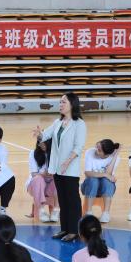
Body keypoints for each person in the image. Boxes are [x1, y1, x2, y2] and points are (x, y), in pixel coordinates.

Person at [33, 92, 87, 242]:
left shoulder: (79, 124)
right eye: (60, 102)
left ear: (72, 104)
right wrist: (39, 134)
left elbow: (78, 147)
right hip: (57, 168)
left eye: (64, 102)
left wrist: (67, 162)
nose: (61, 105)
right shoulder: (58, 122)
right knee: (62, 200)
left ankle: (74, 231)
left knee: (72, 200)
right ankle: (65, 229)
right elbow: (45, 135)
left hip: (70, 169)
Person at [81, 139, 120, 223]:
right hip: (88, 187)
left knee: (108, 182)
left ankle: (106, 213)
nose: (96, 150)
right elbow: (88, 173)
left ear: (106, 154)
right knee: (93, 180)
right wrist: (105, 175)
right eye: (97, 146)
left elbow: (108, 174)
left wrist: (116, 154)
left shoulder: (114, 158)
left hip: (104, 188)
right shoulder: (90, 152)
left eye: (99, 150)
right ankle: (89, 212)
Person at [26, 139, 58, 222]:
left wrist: (52, 173)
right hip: (35, 185)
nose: (42, 145)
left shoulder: (55, 154)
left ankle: (56, 210)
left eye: (44, 143)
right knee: (38, 179)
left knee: (58, 179)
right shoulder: (33, 153)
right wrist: (43, 174)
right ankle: (41, 211)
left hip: (50, 184)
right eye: (40, 143)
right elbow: (33, 174)